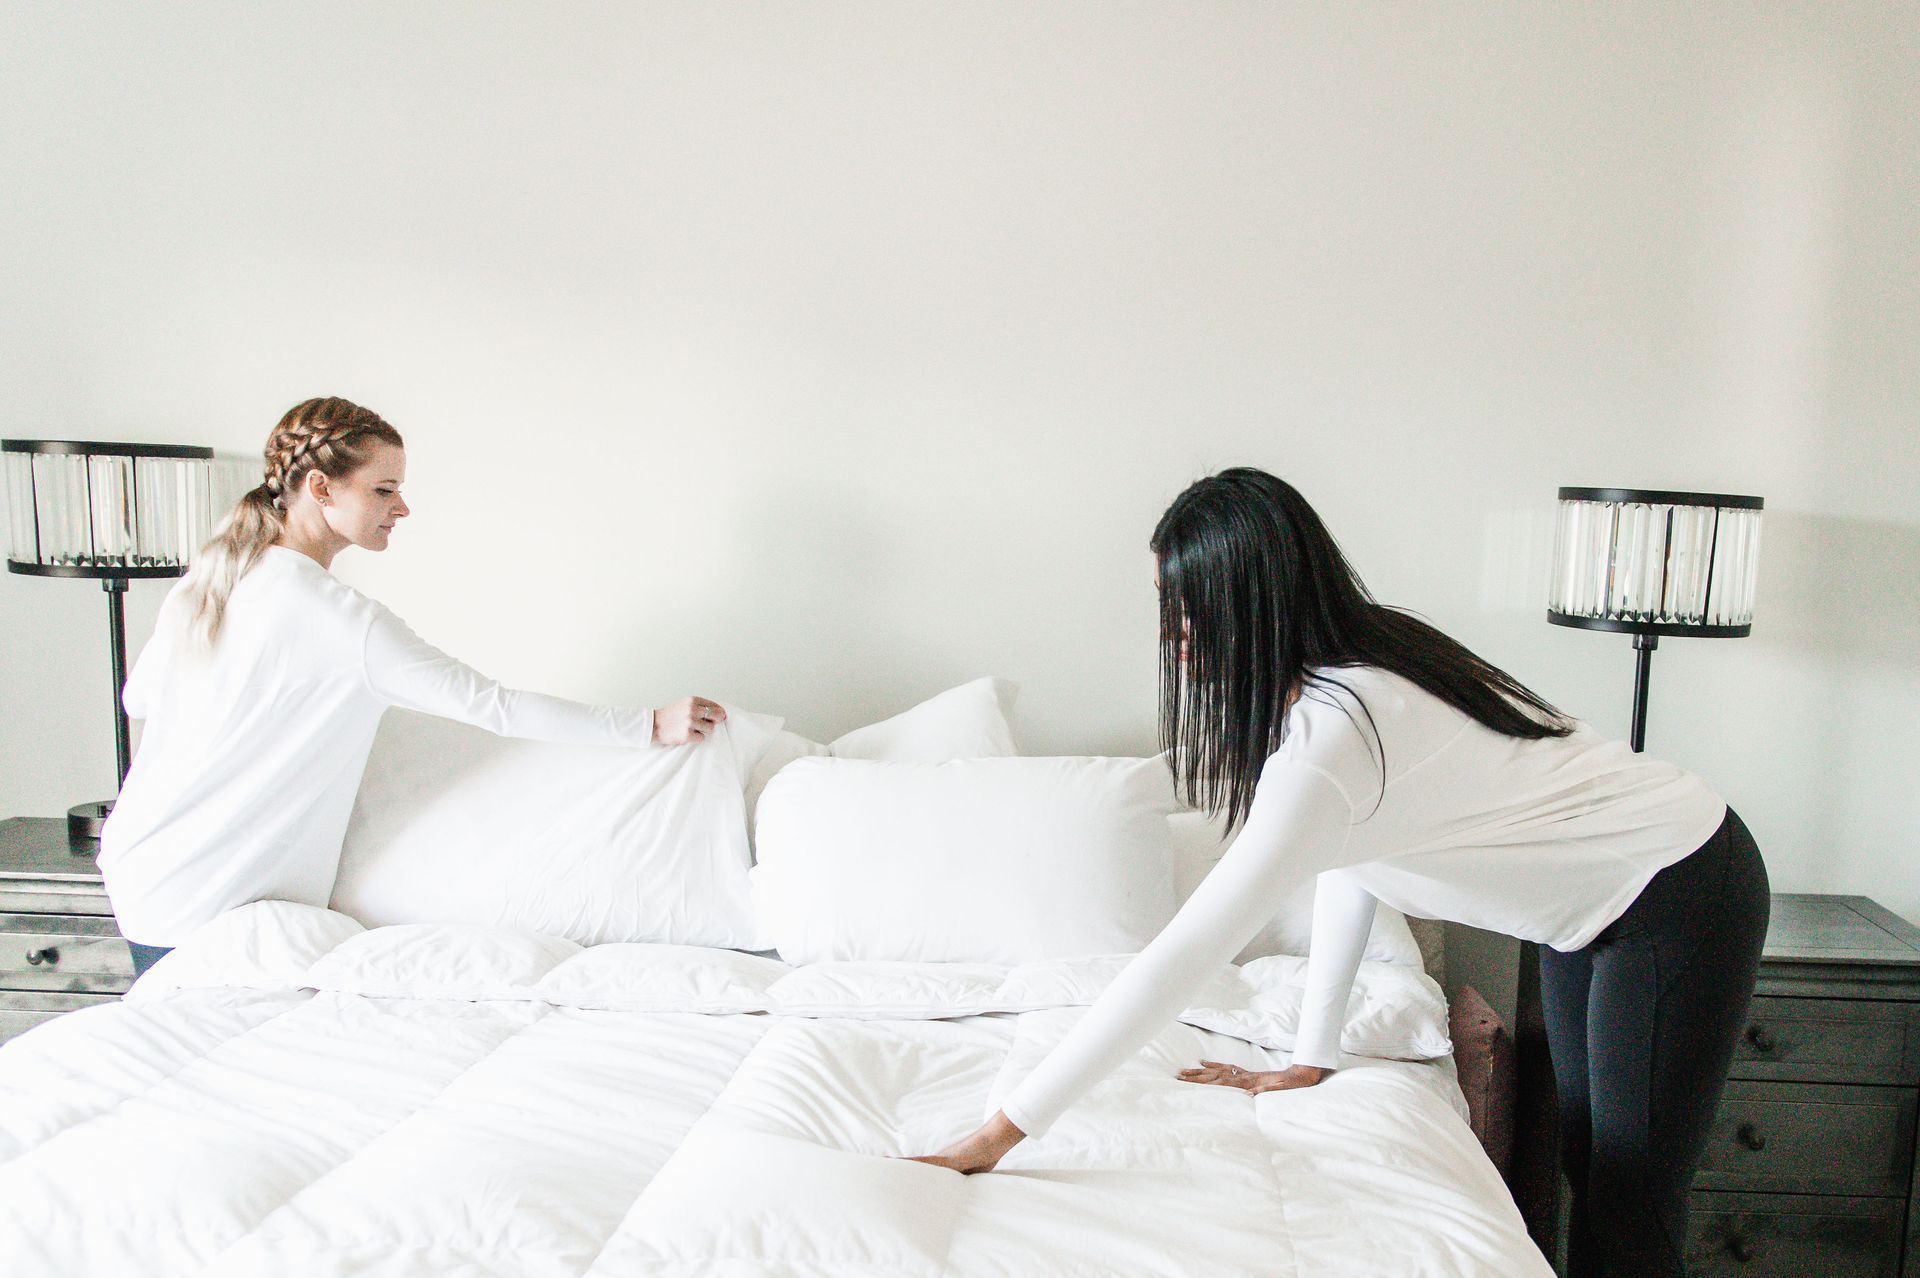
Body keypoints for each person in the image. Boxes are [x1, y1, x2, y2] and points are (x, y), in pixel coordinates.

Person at [911, 467, 1768, 1278]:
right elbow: (1357, 862)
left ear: (1250, 606)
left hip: (1680, 884)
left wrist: (1004, 1130)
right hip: (1589, 912)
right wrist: (1313, 1053)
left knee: (1631, 1200)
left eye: (1188, 609)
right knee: (1594, 1164)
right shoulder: (1347, 683)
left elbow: (1184, 957)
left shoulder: (1340, 729)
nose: (1172, 636)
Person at [100, 397, 725, 980]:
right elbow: (494, 707)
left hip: (142, 870)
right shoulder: (341, 621)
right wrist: (648, 726)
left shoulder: (213, 578)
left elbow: (140, 700)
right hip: (206, 898)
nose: (402, 507)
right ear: (321, 488)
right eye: (384, 489)